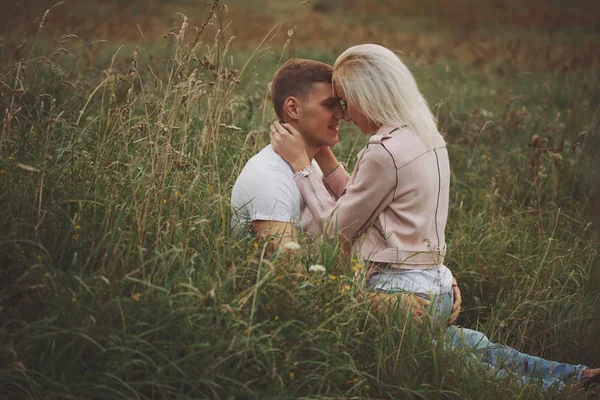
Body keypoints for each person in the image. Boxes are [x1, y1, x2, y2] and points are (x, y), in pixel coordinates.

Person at [269, 44, 599, 391]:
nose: (346, 115)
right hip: (436, 283)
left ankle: (559, 391)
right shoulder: (427, 138)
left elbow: (337, 227)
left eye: (346, 103)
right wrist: (324, 158)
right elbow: (366, 200)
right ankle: (574, 375)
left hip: (399, 288)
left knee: (451, 361)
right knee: (468, 345)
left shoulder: (383, 151)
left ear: (368, 96)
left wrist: (303, 166)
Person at [231, 58, 453, 322]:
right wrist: (377, 304)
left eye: (342, 104)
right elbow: (289, 282)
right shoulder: (269, 177)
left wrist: (439, 279)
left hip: (351, 297)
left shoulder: (310, 164)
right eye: (329, 105)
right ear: (293, 108)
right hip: (285, 322)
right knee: (457, 351)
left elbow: (363, 221)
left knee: (465, 352)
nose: (342, 115)